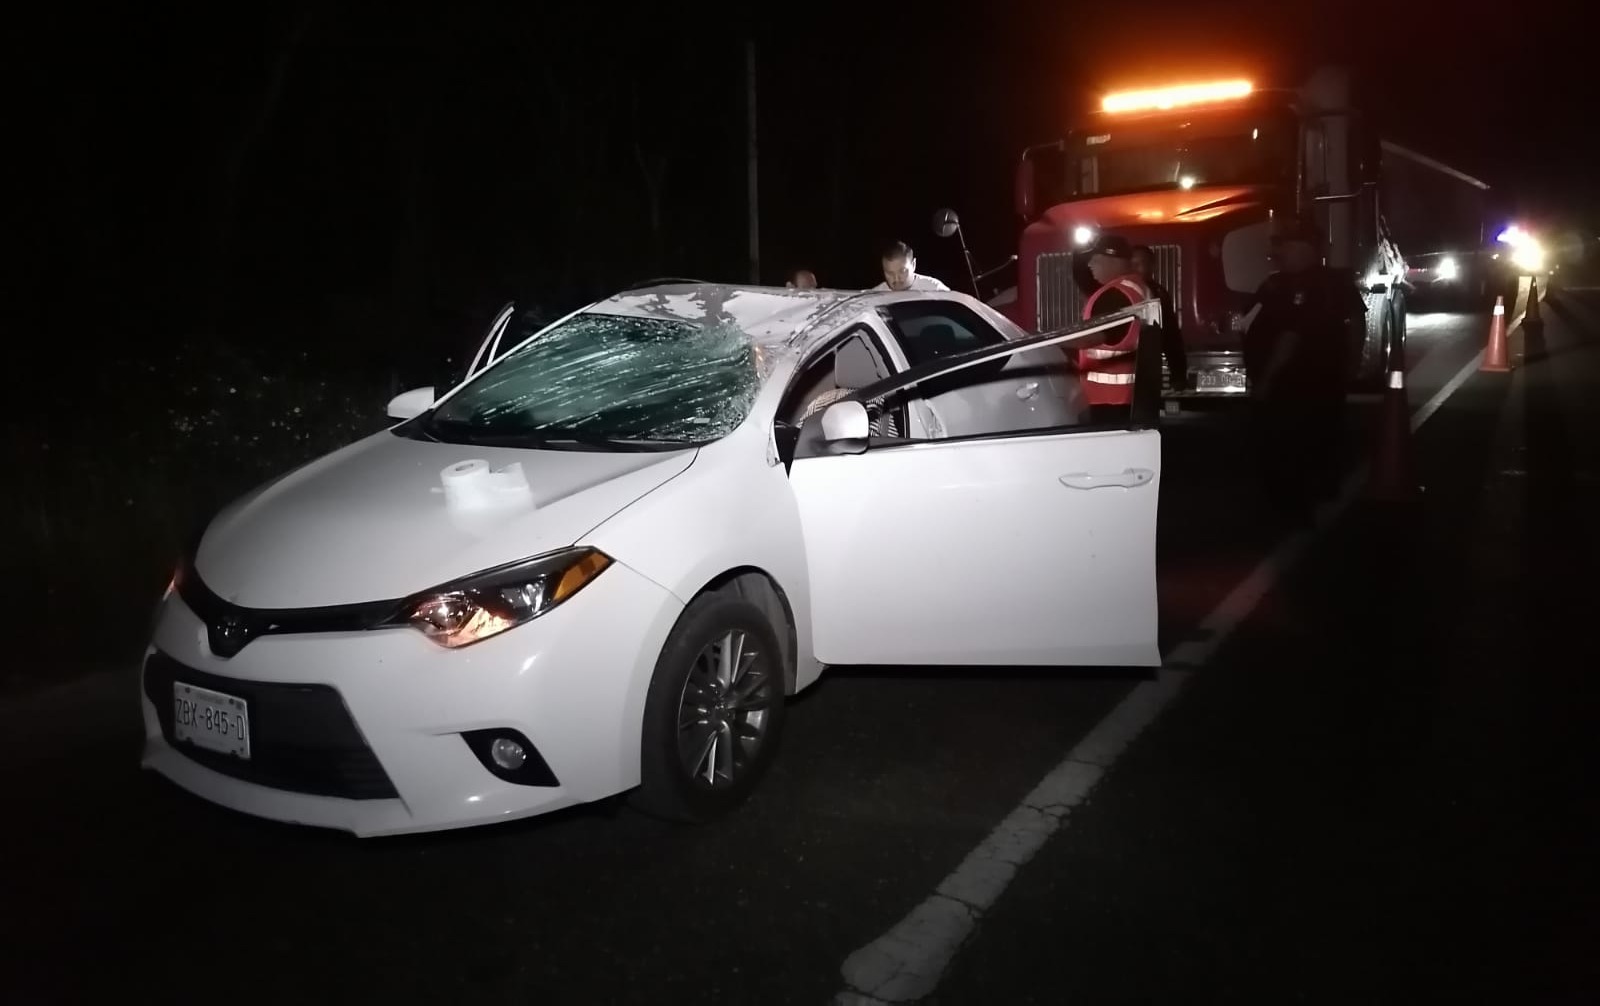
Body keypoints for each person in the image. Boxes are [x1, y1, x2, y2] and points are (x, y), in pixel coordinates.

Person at [1241, 219, 1367, 517]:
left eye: (1286, 245)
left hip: (1296, 382)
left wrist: (1266, 380)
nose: (1279, 252)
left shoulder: (1319, 284)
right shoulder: (1275, 283)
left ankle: (1295, 506)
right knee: (1321, 437)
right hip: (1318, 379)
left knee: (1294, 443)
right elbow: (1248, 322)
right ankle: (1319, 488)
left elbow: (1291, 337)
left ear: (1307, 249)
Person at [1076, 234, 1157, 425]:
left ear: (1113, 260)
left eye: (1095, 259)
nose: (1090, 264)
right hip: (1131, 398)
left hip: (1107, 402)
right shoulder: (1138, 287)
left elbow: (1091, 338)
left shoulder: (1115, 296)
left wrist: (1046, 340)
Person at [1131, 244, 1187, 392]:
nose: (1134, 269)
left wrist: (1178, 375)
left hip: (1147, 370)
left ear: (1151, 267)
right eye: (1131, 264)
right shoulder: (1118, 293)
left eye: (1139, 264)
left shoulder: (1157, 295)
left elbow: (1171, 337)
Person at [874, 241, 950, 292]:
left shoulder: (935, 289)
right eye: (890, 273)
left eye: (902, 271)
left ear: (913, 265)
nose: (896, 279)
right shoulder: (874, 297)